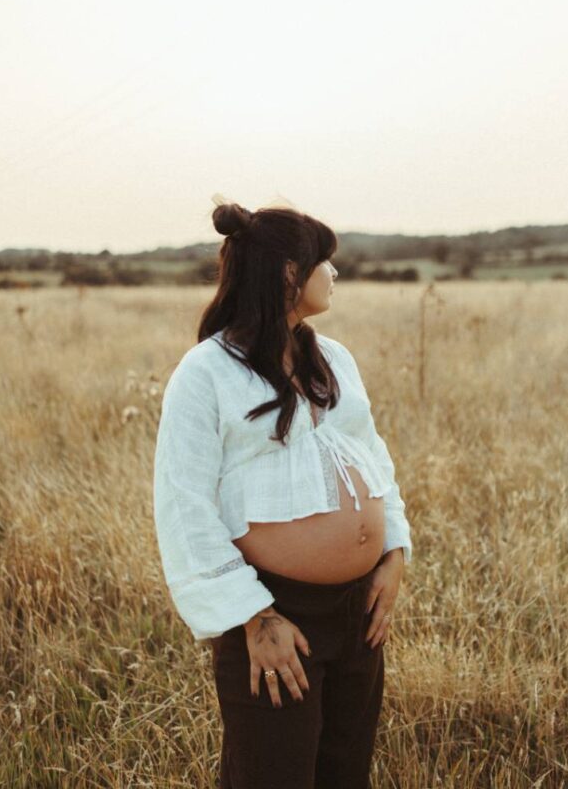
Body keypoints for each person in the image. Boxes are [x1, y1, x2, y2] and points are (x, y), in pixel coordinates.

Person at [152, 195, 413, 789]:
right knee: (273, 777)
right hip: (275, 614)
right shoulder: (205, 373)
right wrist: (254, 618)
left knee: (345, 774)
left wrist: (392, 552)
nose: (335, 273)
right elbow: (183, 504)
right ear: (290, 274)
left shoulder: (334, 359)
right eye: (326, 261)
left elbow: (372, 459)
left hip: (359, 613)